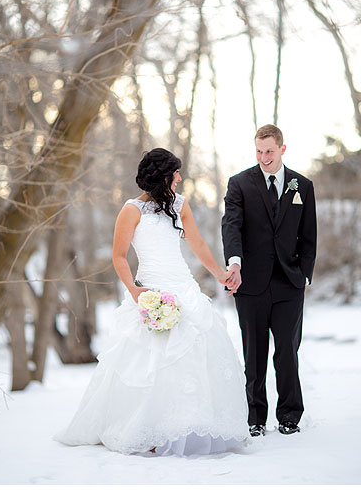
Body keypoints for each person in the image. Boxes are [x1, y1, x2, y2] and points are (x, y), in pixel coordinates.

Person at [55, 148, 249, 456]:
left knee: (193, 357)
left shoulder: (181, 205)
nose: (181, 177)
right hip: (150, 291)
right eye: (176, 173)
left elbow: (197, 243)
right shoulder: (131, 210)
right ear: (164, 176)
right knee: (149, 363)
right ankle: (149, 430)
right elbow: (119, 256)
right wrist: (134, 290)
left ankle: (190, 425)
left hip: (183, 287)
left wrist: (221, 274)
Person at [221, 124, 316, 437]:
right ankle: (255, 418)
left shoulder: (302, 185)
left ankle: (289, 415)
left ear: (282, 149)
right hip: (250, 284)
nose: (264, 157)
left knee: (287, 352)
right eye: (259, 151)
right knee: (254, 352)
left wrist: (303, 274)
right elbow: (231, 226)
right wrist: (234, 262)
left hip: (289, 284)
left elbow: (309, 236)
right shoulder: (239, 184)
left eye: (270, 151)